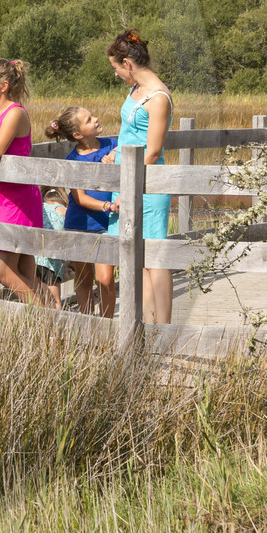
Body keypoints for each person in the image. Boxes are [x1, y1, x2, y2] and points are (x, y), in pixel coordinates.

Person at [0, 58, 54, 308]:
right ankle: (53, 310)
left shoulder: (14, 113)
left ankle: (46, 320)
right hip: (2, 199)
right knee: (25, 270)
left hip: (19, 201)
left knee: (3, 271)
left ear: (3, 85)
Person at [100, 30, 176, 324]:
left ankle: (163, 327)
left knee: (155, 256)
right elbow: (130, 135)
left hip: (148, 183)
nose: (116, 74)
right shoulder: (134, 91)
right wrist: (114, 153)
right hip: (125, 177)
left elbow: (153, 151)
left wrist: (127, 191)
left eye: (116, 68)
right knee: (138, 259)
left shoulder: (159, 98)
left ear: (127, 64)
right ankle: (147, 324)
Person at [46, 105, 117, 316]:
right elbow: (80, 198)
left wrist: (115, 155)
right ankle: (87, 323)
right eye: (88, 120)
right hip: (80, 223)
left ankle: (106, 325)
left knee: (105, 280)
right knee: (84, 278)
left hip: (108, 225)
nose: (95, 119)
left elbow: (130, 148)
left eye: (92, 115)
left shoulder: (112, 145)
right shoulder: (73, 160)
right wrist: (108, 206)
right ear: (78, 134)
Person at [35, 186, 69, 306]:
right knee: (55, 302)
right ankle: (54, 323)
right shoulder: (64, 211)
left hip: (34, 258)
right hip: (52, 263)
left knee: (38, 297)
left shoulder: (39, 207)